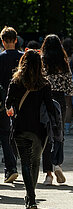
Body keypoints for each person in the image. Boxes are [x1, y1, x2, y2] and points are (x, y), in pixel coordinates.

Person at [5, 50, 55, 209]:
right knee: (35, 162)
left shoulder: (16, 81)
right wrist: (56, 126)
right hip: (39, 129)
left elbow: (8, 103)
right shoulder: (44, 83)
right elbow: (50, 107)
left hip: (20, 127)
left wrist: (10, 109)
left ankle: (31, 198)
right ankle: (30, 195)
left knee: (25, 163)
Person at [41, 34, 73, 185]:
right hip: (60, 100)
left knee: (45, 136)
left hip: (44, 99)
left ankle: (48, 174)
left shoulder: (42, 62)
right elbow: (69, 86)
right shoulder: (64, 62)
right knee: (58, 134)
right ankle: (58, 164)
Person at [0, 26, 23, 183]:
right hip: (22, 101)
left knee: (4, 134)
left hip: (3, 101)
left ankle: (11, 168)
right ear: (16, 40)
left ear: (2, 41)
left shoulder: (0, 58)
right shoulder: (23, 58)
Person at [62, 37, 73, 134]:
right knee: (68, 105)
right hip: (70, 79)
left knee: (62, 104)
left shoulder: (61, 55)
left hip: (61, 80)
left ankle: (61, 125)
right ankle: (67, 126)